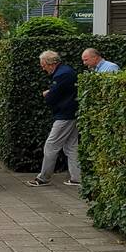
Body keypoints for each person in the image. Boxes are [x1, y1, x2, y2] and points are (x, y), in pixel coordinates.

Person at [27, 50, 80, 187]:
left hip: (64, 115)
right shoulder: (65, 71)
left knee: (51, 146)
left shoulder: (62, 75)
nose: (42, 68)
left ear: (51, 64)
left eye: (43, 65)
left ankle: (43, 178)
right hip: (71, 113)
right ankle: (76, 177)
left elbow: (53, 96)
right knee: (72, 146)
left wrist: (47, 94)